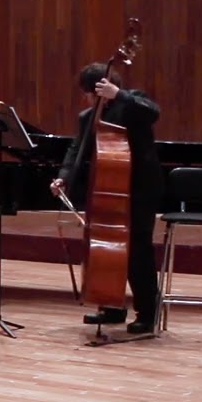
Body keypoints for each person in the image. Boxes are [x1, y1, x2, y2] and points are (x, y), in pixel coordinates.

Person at [50, 63, 162, 334]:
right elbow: (77, 148)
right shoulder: (89, 116)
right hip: (108, 189)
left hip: (140, 190)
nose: (88, 100)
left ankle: (148, 313)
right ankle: (111, 306)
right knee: (106, 248)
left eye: (90, 93)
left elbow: (153, 113)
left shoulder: (133, 100)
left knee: (137, 251)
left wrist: (119, 95)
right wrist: (64, 176)